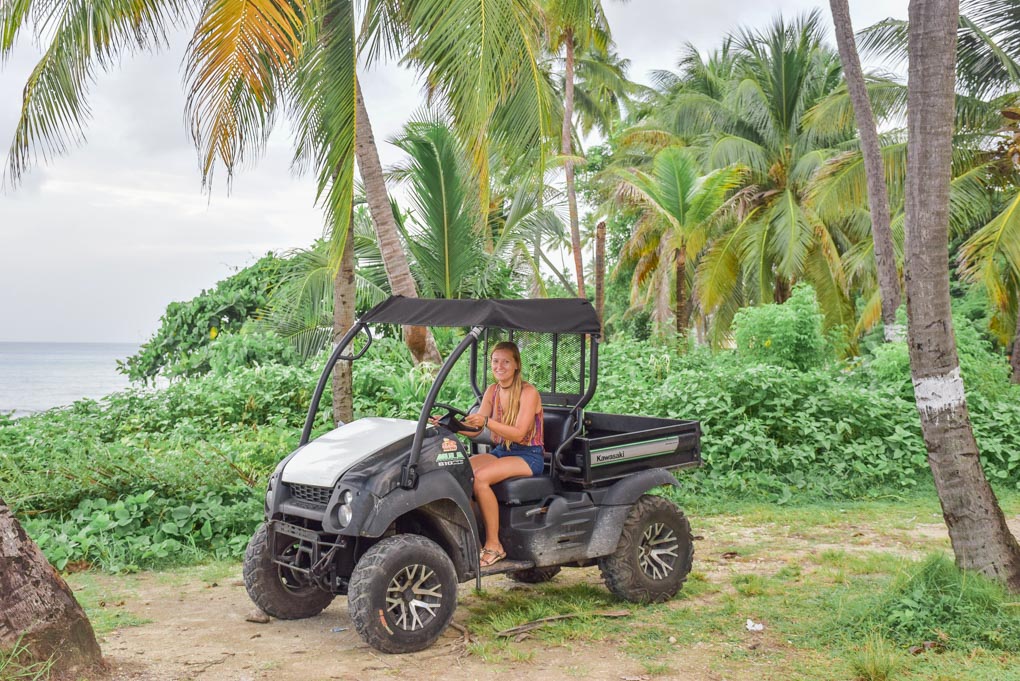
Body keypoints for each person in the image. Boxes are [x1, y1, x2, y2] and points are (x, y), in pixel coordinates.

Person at [458, 341, 544, 567]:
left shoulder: (528, 392)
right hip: (502, 451)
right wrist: (451, 425)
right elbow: (477, 428)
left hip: (528, 455)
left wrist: (487, 421)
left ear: (516, 364)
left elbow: (518, 434)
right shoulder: (492, 391)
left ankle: (494, 544)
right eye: (495, 361)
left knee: (480, 478)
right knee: (459, 470)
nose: (499, 366)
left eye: (506, 361)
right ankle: (471, 540)